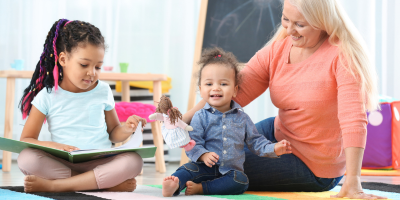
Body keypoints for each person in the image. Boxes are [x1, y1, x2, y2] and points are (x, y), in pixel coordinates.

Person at [182, 0, 387, 199]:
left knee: (222, 166)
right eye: (286, 19)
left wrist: (353, 180)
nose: (289, 30)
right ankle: (185, 177)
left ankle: (193, 183)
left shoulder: (342, 56)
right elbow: (234, 94)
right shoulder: (278, 48)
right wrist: (184, 120)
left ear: (322, 21)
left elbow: (353, 121)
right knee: (210, 144)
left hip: (313, 164)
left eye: (300, 24)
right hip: (277, 132)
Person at [17, 19, 147, 193]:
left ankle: (57, 186)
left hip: (100, 160)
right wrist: (55, 146)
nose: (92, 73)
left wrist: (127, 129)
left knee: (134, 161)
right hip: (63, 161)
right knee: (26, 158)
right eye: (84, 65)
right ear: (63, 59)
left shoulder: (102, 90)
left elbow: (114, 132)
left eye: (98, 67)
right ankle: (103, 184)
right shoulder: (47, 96)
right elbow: (27, 139)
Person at [162, 47, 292, 197]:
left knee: (241, 181)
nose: (216, 88)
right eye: (209, 84)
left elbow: (256, 141)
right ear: (201, 89)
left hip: (230, 172)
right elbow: (193, 143)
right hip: (204, 167)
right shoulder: (200, 116)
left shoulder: (242, 118)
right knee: (188, 169)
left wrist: (273, 148)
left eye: (223, 84)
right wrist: (204, 155)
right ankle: (175, 184)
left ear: (235, 90)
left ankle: (202, 188)